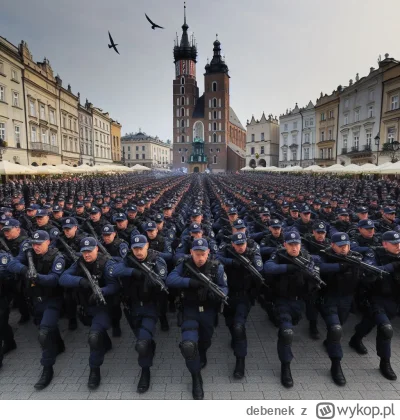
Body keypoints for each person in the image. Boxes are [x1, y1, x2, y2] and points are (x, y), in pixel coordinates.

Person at [166, 238, 228, 400]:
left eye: (203, 254)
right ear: (191, 253)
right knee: (188, 346)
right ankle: (196, 377)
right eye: (197, 254)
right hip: (189, 310)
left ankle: (203, 353)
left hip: (208, 311)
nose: (200, 258)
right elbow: (170, 280)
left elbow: (224, 288)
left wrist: (214, 292)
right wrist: (191, 282)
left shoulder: (216, 267)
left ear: (208, 253)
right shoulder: (184, 265)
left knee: (205, 341)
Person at [8, 230, 66, 390]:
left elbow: (55, 279)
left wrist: (37, 277)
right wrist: (26, 270)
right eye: (34, 244)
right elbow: (12, 263)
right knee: (43, 325)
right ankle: (60, 345)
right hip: (35, 300)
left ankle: (47, 368)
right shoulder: (29, 254)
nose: (36, 247)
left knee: (44, 333)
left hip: (52, 300)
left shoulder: (57, 257)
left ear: (48, 242)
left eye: (39, 244)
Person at [263, 231, 322, 388]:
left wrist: (308, 273)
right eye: (291, 245)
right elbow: (268, 267)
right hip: (282, 301)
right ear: (285, 245)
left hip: (299, 302)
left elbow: (316, 270)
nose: (294, 248)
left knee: (293, 324)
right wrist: (290, 267)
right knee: (286, 332)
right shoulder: (279, 255)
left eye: (296, 244)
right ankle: (285, 366)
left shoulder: (306, 257)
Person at [59, 237, 118, 389]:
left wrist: (101, 291)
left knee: (94, 337)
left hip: (102, 307)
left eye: (89, 251)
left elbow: (115, 286)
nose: (86, 255)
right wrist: (81, 281)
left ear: (97, 249)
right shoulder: (79, 263)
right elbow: (63, 278)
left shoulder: (106, 263)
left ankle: (94, 369)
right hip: (86, 306)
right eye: (84, 252)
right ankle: (107, 343)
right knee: (96, 330)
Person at [112, 234, 168, 393]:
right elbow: (114, 271)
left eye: (141, 248)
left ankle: (145, 371)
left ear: (147, 246)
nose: (138, 252)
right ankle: (150, 344)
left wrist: (150, 278)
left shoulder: (156, 260)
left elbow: (163, 279)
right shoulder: (128, 260)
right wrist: (133, 272)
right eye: (135, 248)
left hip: (150, 306)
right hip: (133, 307)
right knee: (141, 337)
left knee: (141, 344)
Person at [349, 231, 400, 381]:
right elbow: (370, 271)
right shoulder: (375, 253)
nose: (398, 246)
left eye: (399, 243)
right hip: (375, 298)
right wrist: (393, 265)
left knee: (369, 322)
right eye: (394, 244)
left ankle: (356, 338)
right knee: (385, 329)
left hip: (394, 300)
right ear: (384, 244)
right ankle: (385, 363)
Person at [217, 232, 263, 379]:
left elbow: (260, 270)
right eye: (237, 245)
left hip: (244, 297)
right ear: (232, 245)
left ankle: (240, 361)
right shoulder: (227, 252)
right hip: (228, 296)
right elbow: (215, 258)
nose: (240, 247)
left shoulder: (252, 254)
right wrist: (232, 262)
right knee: (230, 324)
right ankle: (235, 338)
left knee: (239, 326)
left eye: (242, 244)